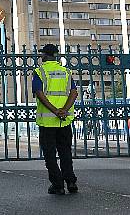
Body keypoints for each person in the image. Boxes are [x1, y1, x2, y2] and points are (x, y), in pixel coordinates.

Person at [32, 43, 78, 195]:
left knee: (50, 155)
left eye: (42, 54)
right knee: (65, 152)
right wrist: (64, 110)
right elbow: (74, 93)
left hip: (47, 122)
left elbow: (39, 93)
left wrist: (54, 110)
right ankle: (71, 181)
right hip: (64, 120)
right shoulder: (66, 71)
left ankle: (58, 185)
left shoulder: (40, 71)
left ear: (45, 55)